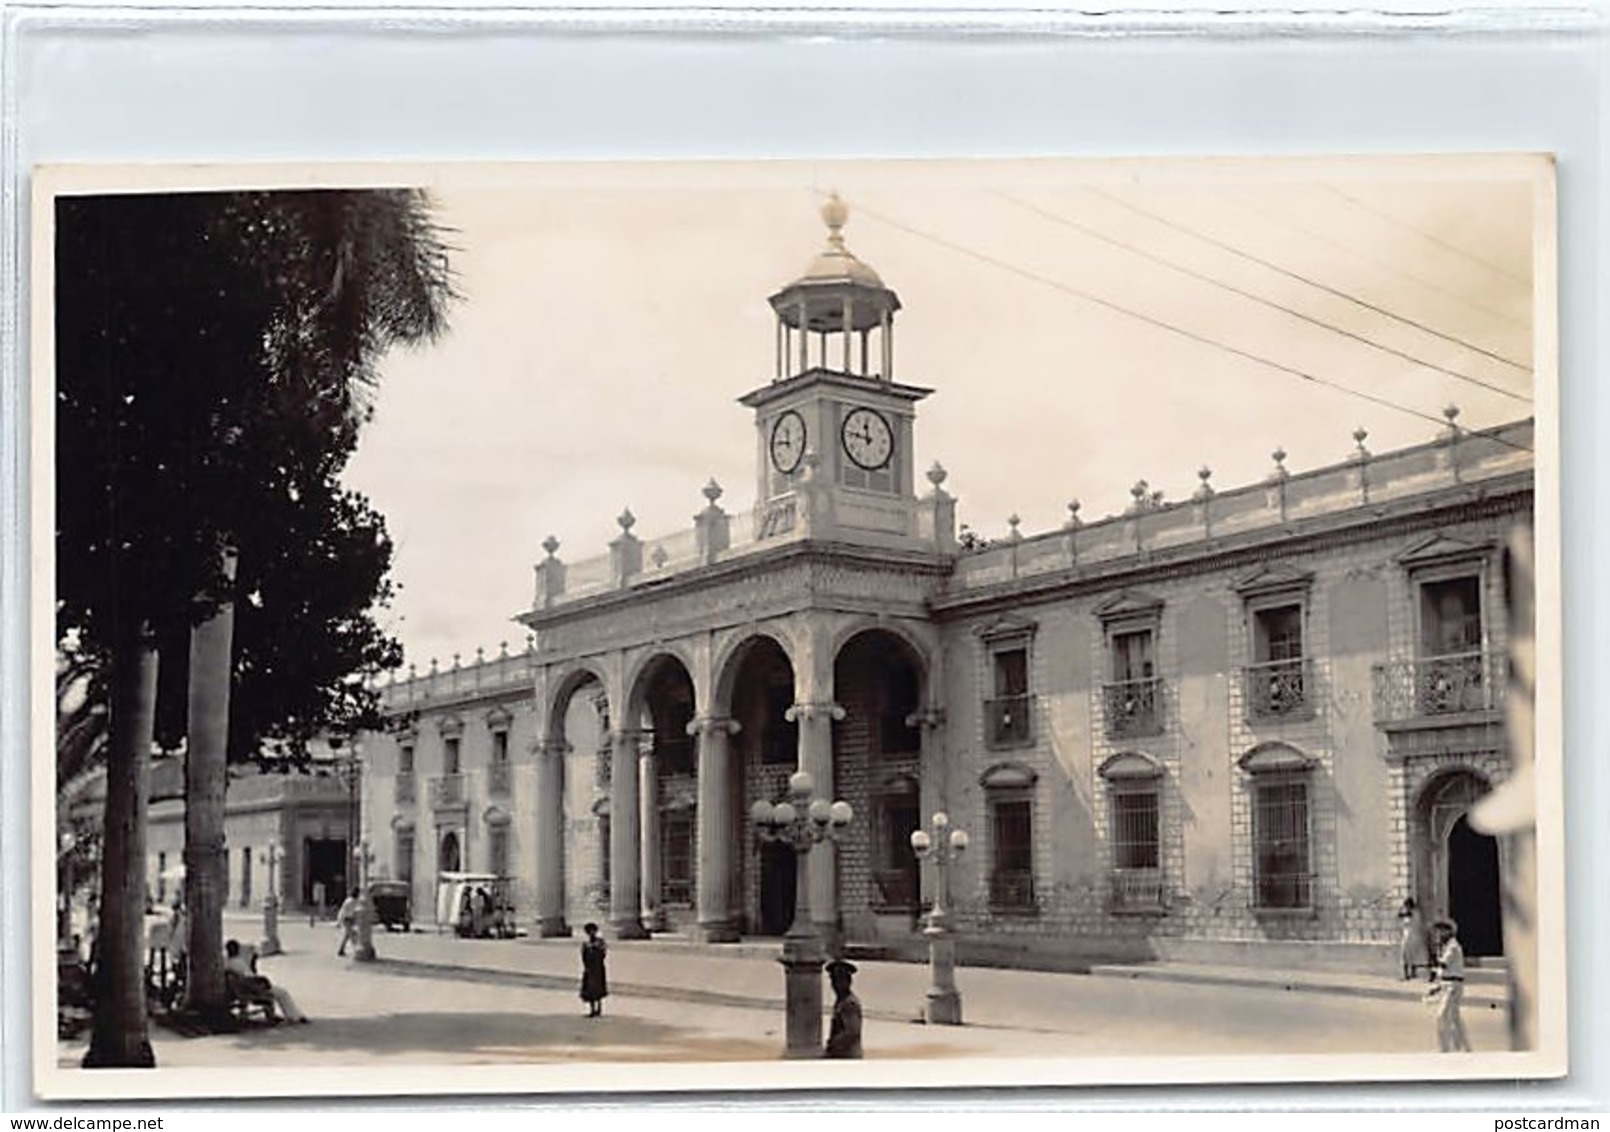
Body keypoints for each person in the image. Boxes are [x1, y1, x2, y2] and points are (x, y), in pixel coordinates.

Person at [225, 939, 309, 1024]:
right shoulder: (239, 964)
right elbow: (250, 978)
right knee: (283, 993)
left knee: (280, 993)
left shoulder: (227, 963)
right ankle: (294, 1016)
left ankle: (292, 1015)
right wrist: (263, 981)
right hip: (254, 988)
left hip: (243, 988)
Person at [1427, 918, 1471, 1052]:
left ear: (1449, 932)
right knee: (1454, 1019)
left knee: (1441, 1016)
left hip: (1453, 985)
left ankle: (1444, 1049)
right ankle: (1464, 1048)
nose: (1439, 934)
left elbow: (1444, 964)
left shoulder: (1453, 946)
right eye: (1438, 931)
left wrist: (1432, 956)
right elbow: (1442, 972)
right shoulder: (1445, 947)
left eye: (1442, 930)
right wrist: (1437, 987)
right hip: (1448, 984)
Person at [824, 959, 863, 1059]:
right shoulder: (841, 1002)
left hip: (848, 1056)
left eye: (839, 980)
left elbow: (851, 1032)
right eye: (833, 980)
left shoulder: (849, 1003)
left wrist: (832, 1046)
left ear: (848, 981)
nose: (835, 985)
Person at [579, 922, 608, 1017]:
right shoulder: (586, 944)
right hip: (589, 968)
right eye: (589, 931)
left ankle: (599, 1008)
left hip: (598, 968)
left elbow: (603, 953)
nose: (591, 933)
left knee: (598, 988)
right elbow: (583, 956)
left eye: (593, 931)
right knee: (589, 990)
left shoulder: (600, 942)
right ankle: (592, 1009)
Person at [1398, 896, 1429, 981]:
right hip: (1408, 935)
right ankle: (1407, 973)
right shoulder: (1411, 913)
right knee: (1406, 955)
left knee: (1410, 955)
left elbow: (1403, 915)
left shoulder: (1414, 913)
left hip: (1412, 936)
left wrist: (1402, 910)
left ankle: (1411, 973)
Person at [335, 888, 361, 957]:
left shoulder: (351, 901)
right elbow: (344, 912)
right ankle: (357, 951)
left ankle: (341, 950)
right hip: (347, 919)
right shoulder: (351, 901)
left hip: (349, 919)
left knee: (347, 936)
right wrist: (339, 921)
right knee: (353, 935)